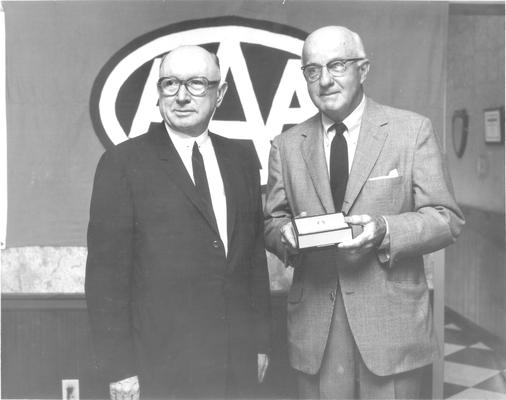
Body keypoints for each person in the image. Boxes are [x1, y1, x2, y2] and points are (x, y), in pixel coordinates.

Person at [264, 26, 465, 399]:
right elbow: (272, 223)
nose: (324, 80)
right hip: (316, 331)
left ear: (363, 70)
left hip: (391, 327)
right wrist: (284, 236)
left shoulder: (411, 130)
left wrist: (384, 229)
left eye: (337, 65)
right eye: (312, 70)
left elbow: (446, 218)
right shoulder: (287, 145)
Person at [85, 45, 271, 400]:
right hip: (160, 364)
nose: (182, 96)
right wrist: (120, 368)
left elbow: (253, 261)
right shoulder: (122, 164)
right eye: (170, 84)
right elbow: (105, 277)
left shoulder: (241, 158)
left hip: (237, 360)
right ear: (158, 93)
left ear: (221, 93)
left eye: (197, 84)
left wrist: (260, 342)